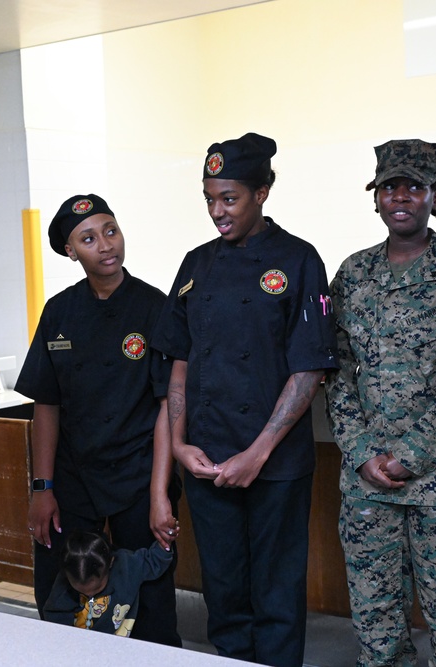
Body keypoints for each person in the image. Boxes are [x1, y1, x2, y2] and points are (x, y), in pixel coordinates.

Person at [152, 132, 339, 667]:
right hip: (207, 461)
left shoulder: (299, 260)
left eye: (229, 198)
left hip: (275, 466)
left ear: (262, 192)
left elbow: (309, 369)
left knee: (277, 596)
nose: (217, 211)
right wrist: (180, 445)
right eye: (209, 199)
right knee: (225, 594)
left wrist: (257, 454)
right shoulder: (196, 264)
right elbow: (179, 360)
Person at [326, 139, 436, 667]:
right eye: (389, 187)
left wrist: (412, 454)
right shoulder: (353, 275)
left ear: (434, 196)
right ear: (376, 197)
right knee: (376, 632)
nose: (400, 197)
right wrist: (361, 452)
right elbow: (337, 373)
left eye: (414, 187)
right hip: (367, 488)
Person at [14, 193, 181, 647]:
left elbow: (168, 404)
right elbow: (46, 405)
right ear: (71, 251)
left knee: (150, 599)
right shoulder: (60, 311)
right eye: (88, 239)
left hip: (139, 473)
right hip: (73, 475)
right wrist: (42, 489)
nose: (106, 245)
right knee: (60, 591)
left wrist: (160, 494)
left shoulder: (154, 307)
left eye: (111, 231)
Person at [44, 530, 174, 636]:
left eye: (97, 588)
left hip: (120, 646)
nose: (90, 595)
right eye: (80, 590)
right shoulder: (63, 587)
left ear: (111, 563)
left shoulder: (127, 566)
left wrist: (165, 542)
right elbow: (56, 625)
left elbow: (153, 561)